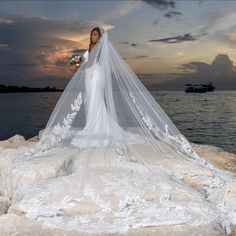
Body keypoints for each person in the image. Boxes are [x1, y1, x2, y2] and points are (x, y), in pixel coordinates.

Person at [12, 27, 234, 234]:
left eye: (96, 35)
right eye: (92, 35)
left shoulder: (100, 50)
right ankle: (92, 125)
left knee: (97, 101)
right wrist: (76, 61)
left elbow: (96, 64)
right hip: (88, 78)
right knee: (90, 103)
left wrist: (87, 61)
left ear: (101, 37)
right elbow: (79, 64)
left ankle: (100, 127)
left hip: (96, 77)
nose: (94, 38)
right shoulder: (87, 50)